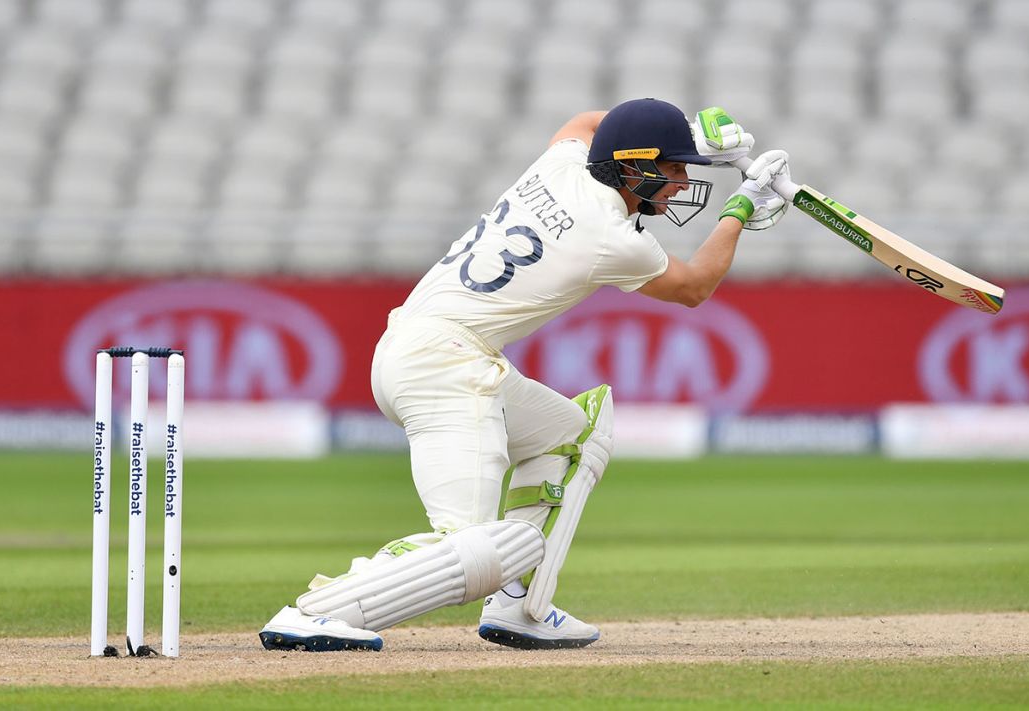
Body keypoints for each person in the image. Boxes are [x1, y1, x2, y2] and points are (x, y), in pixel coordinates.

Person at [259, 98, 791, 652]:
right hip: (445, 366)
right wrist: (743, 205)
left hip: (427, 349)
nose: (683, 184)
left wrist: (688, 138)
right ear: (636, 165)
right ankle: (318, 611)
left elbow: (590, 122)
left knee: (571, 437)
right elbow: (694, 286)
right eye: (676, 168)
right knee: (476, 547)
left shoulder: (560, 164)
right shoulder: (611, 235)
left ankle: (519, 606)